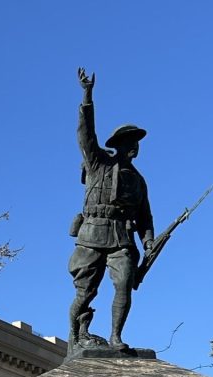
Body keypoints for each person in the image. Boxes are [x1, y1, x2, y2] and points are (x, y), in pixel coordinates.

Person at [68, 68, 154, 349]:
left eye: (137, 143)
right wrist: (87, 94)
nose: (136, 148)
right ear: (119, 145)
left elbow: (145, 216)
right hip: (92, 233)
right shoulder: (98, 164)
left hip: (122, 239)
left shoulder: (139, 180)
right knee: (85, 292)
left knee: (124, 285)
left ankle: (116, 336)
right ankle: (76, 333)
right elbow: (86, 134)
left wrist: (149, 240)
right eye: (131, 143)